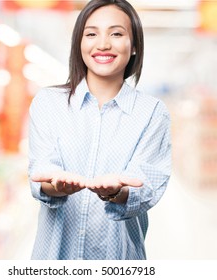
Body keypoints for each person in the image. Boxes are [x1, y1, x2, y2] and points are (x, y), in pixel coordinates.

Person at [28, 0, 171, 260]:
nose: (103, 44)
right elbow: (41, 171)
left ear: (135, 45)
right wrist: (56, 186)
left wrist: (117, 191)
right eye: (91, 33)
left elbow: (147, 184)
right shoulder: (48, 103)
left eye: (116, 33)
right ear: (79, 43)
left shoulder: (152, 112)